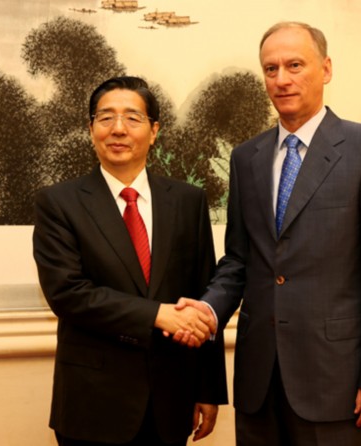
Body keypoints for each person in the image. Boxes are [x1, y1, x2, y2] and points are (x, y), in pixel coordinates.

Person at [176, 22, 361, 446]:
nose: (281, 79)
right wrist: (207, 311)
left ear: (326, 69)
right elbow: (240, 260)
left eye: (294, 65)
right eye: (271, 69)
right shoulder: (246, 157)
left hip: (336, 382)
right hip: (258, 382)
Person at [33, 76, 227, 446]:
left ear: (154, 131)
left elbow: (204, 296)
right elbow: (67, 293)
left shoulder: (188, 201)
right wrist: (157, 314)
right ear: (91, 129)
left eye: (133, 118)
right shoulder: (58, 203)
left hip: (172, 400)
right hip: (93, 404)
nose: (118, 129)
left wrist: (208, 389)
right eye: (106, 118)